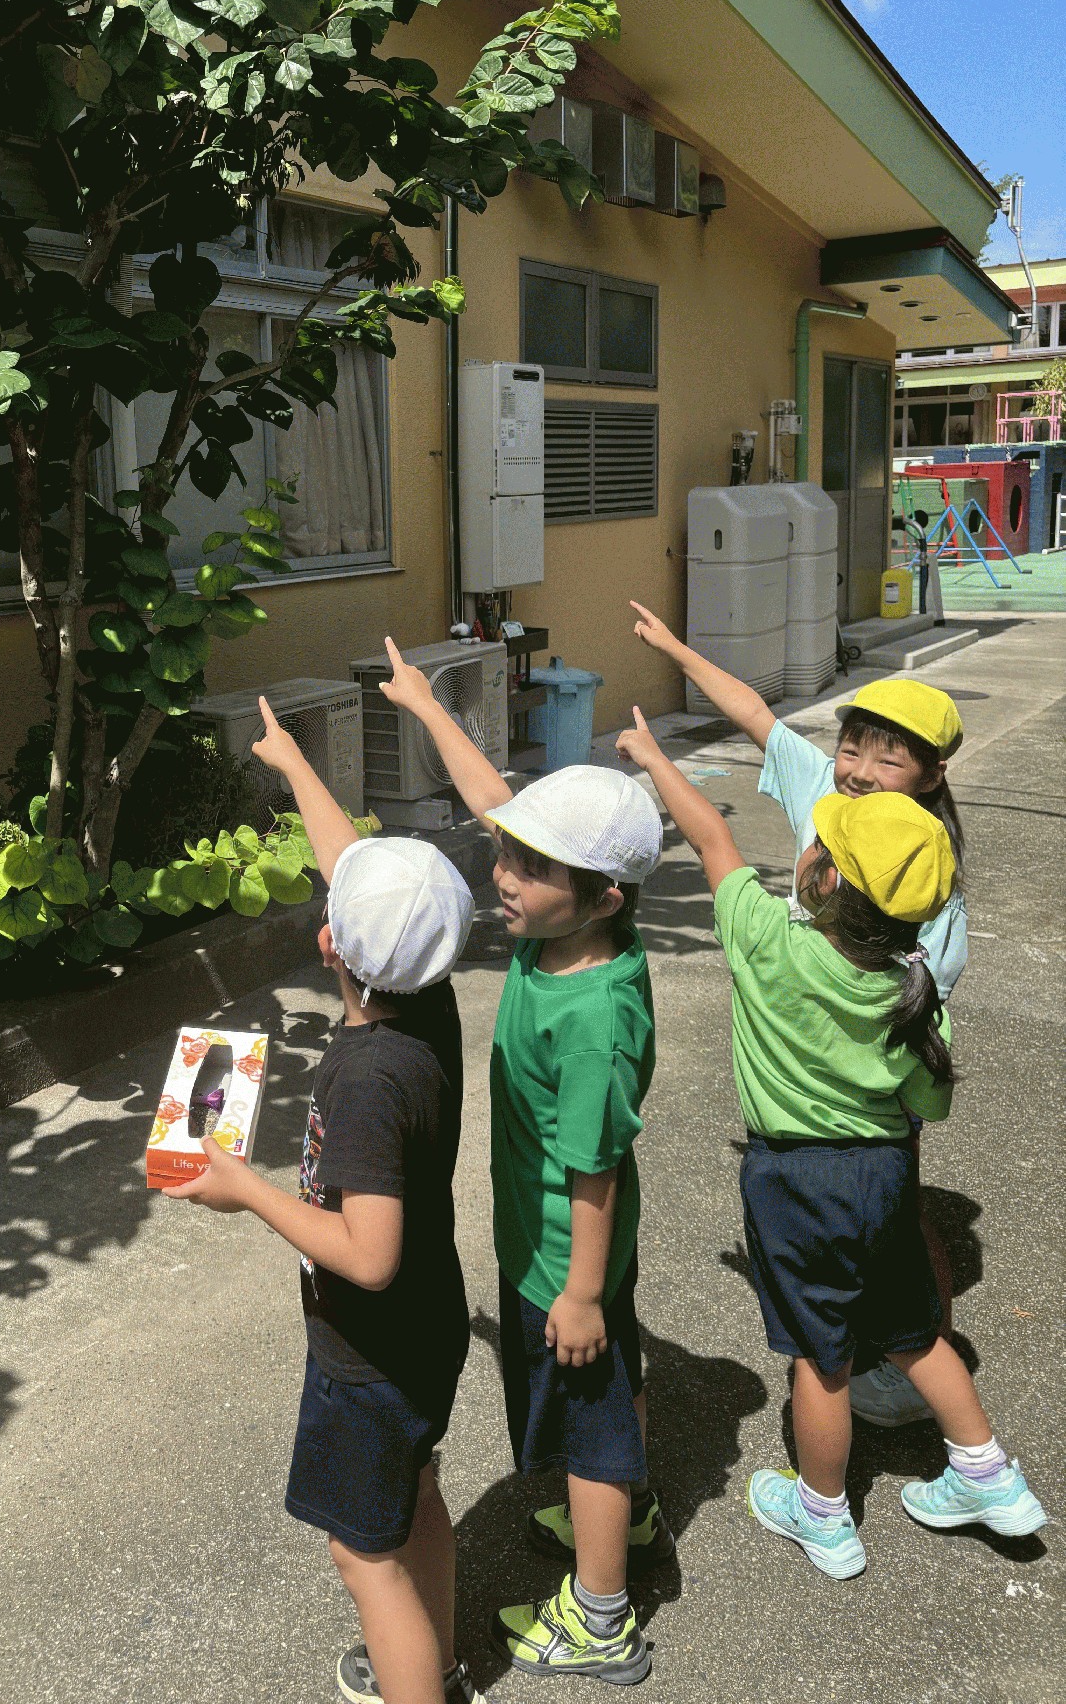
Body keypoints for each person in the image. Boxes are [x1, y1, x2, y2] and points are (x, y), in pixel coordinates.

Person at [614, 706, 1046, 1577]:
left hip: (796, 1182)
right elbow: (929, 1104)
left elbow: (711, 838)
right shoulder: (914, 991)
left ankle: (822, 1513)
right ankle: (987, 1473)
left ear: (824, 877)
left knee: (823, 1358)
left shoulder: (767, 942)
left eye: (820, 843)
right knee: (914, 1332)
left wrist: (654, 758)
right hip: (884, 1175)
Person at [166, 697, 483, 1704]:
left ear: (327, 944)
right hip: (428, 1328)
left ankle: (413, 1682)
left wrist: (247, 1189)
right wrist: (294, 765)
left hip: (371, 1352)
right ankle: (435, 1665)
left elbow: (368, 1253)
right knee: (414, 1498)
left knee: (363, 1556)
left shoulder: (367, 1080)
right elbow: (354, 867)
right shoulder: (427, 1003)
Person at [380, 638, 664, 1686]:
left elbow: (595, 1169)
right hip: (560, 1246)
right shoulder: (564, 934)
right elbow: (495, 798)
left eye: (530, 867)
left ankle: (603, 1618)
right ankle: (627, 1514)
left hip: (563, 1251)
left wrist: (578, 1293)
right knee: (613, 1392)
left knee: (590, 1426)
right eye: (507, 854)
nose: (502, 874)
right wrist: (424, 705)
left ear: (603, 896)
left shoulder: (591, 1017)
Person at [629, 603, 966, 1431]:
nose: (858, 772)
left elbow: (916, 999)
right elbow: (756, 716)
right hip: (847, 1069)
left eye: (888, 758)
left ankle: (900, 1367)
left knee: (894, 1236)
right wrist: (675, 649)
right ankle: (929, 1386)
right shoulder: (830, 795)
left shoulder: (919, 870)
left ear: (930, 776)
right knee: (874, 1222)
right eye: (853, 747)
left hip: (868, 1084)